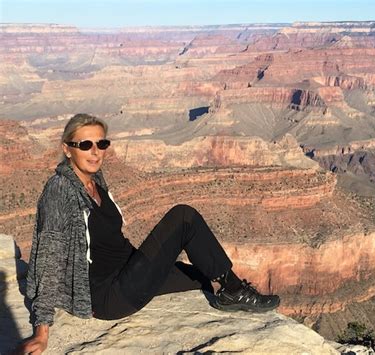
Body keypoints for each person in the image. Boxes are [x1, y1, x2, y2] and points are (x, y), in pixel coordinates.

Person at [18, 113, 280, 354]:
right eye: (85, 145)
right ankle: (234, 290)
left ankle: (225, 291)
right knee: (183, 216)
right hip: (109, 295)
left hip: (128, 270)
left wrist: (146, 264)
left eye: (102, 144)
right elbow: (47, 260)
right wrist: (42, 332)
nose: (95, 152)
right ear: (67, 149)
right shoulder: (59, 191)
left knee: (199, 276)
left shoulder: (95, 180)